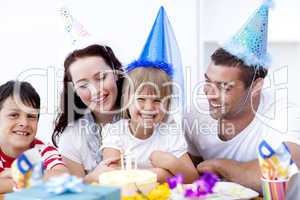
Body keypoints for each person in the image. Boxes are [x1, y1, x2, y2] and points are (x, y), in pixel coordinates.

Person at [184, 1, 300, 192]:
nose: (209, 93)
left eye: (224, 87)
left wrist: (221, 166)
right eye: (207, 81)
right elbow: (189, 173)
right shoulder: (196, 113)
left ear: (255, 86)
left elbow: (279, 170)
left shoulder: (286, 114)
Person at [101, 67, 198, 183]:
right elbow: (112, 177)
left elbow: (193, 178)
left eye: (157, 101)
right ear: (127, 101)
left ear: (167, 106)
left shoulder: (170, 133)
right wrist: (162, 173)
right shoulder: (115, 132)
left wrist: (171, 162)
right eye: (141, 99)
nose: (148, 108)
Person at [52, 44, 124, 183]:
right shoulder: (72, 137)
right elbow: (74, 193)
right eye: (83, 85)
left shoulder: (146, 116)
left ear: (115, 73)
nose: (96, 90)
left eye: (101, 77)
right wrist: (91, 179)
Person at [0, 81, 67, 193]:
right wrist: (38, 179)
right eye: (14, 115)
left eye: (31, 116)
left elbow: (62, 176)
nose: (24, 123)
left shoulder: (43, 151)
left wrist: (19, 176)